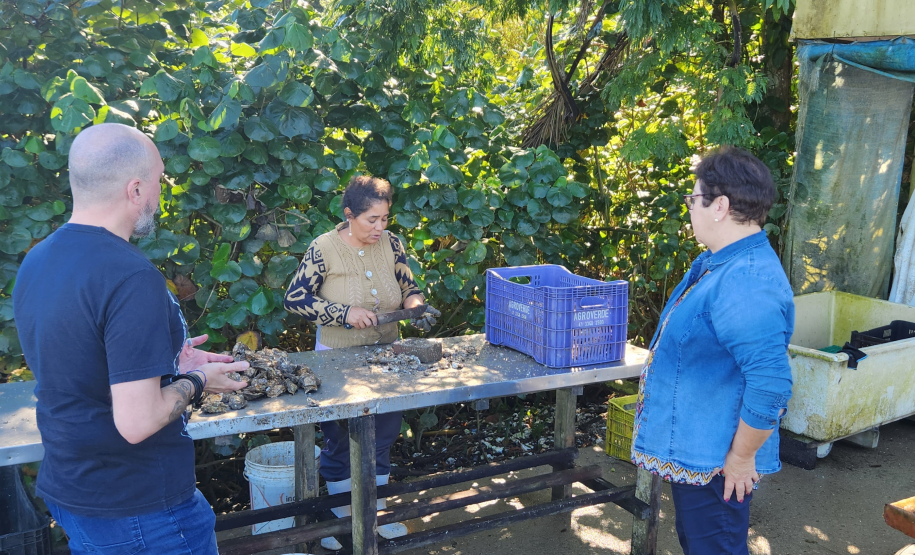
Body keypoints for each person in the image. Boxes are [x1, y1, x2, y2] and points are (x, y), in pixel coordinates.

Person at [14, 123, 249, 554]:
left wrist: (175, 364)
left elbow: (81, 363)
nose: (160, 194)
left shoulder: (37, 260)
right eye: (159, 180)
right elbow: (137, 422)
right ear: (136, 189)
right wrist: (199, 381)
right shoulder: (131, 277)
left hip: (74, 491)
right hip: (140, 509)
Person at [630, 147, 794, 555]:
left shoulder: (746, 280)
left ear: (719, 206)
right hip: (701, 453)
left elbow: (772, 384)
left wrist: (740, 458)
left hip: (720, 464)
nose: (691, 209)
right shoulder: (725, 263)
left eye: (693, 199)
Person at [284, 175, 437, 550]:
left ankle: (375, 512)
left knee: (383, 435)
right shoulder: (323, 248)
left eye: (385, 219)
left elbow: (409, 288)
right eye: (372, 220)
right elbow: (294, 299)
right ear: (349, 214)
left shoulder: (393, 243)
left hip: (388, 359)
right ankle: (341, 518)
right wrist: (343, 312)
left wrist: (415, 306)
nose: (380, 227)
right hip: (336, 361)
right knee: (339, 439)